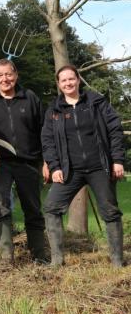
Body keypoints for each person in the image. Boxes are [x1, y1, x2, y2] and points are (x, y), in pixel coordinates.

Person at [42, 64, 125, 267]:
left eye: (72, 79)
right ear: (59, 85)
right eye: (64, 80)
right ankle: (57, 260)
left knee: (111, 212)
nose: (68, 83)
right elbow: (48, 140)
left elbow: (115, 130)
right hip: (70, 170)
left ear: (78, 80)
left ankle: (117, 260)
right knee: (51, 208)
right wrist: (54, 167)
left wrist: (117, 160)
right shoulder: (54, 110)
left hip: (100, 167)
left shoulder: (97, 102)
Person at [0, 58, 47, 264]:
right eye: (0, 75)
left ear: (16, 76)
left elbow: (43, 131)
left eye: (9, 74)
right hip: (0, 162)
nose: (5, 79)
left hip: (29, 162)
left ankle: (39, 256)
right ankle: (7, 258)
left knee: (32, 208)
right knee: (0, 206)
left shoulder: (30, 98)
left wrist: (46, 161)